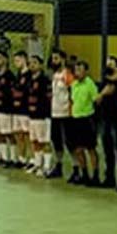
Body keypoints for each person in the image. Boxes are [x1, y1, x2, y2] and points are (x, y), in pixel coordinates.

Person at [96, 56, 117, 188]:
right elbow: (97, 100)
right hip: (105, 119)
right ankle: (109, 177)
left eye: (111, 64)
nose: (108, 66)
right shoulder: (103, 83)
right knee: (107, 151)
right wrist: (103, 93)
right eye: (107, 63)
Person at [69, 61, 100, 186]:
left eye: (80, 70)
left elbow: (96, 99)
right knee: (78, 149)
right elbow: (72, 100)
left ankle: (95, 175)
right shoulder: (74, 84)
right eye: (76, 70)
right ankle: (84, 174)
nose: (78, 72)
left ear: (86, 71)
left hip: (87, 119)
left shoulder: (90, 84)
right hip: (76, 119)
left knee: (91, 148)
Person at [47, 50, 75, 179]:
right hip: (55, 113)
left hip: (65, 113)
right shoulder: (54, 75)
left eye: (57, 58)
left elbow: (73, 93)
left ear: (63, 59)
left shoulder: (67, 74)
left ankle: (76, 167)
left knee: (70, 142)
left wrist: (71, 110)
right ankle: (58, 165)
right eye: (53, 59)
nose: (54, 61)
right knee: (56, 141)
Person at [26, 55, 53, 177]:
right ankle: (37, 164)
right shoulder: (30, 79)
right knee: (35, 141)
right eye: (30, 63)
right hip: (32, 115)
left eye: (35, 63)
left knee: (44, 142)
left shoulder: (45, 80)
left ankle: (46, 166)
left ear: (41, 65)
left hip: (43, 116)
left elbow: (49, 98)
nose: (32, 65)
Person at [0, 51, 15, 166]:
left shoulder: (10, 76)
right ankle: (2, 157)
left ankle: (13, 158)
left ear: (5, 59)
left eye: (0, 58)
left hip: (6, 109)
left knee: (8, 134)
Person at [11, 51, 32, 168]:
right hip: (16, 109)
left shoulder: (29, 75)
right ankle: (21, 158)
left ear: (24, 59)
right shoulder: (18, 75)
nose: (16, 63)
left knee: (27, 135)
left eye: (18, 60)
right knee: (18, 135)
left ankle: (32, 159)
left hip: (25, 110)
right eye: (14, 61)